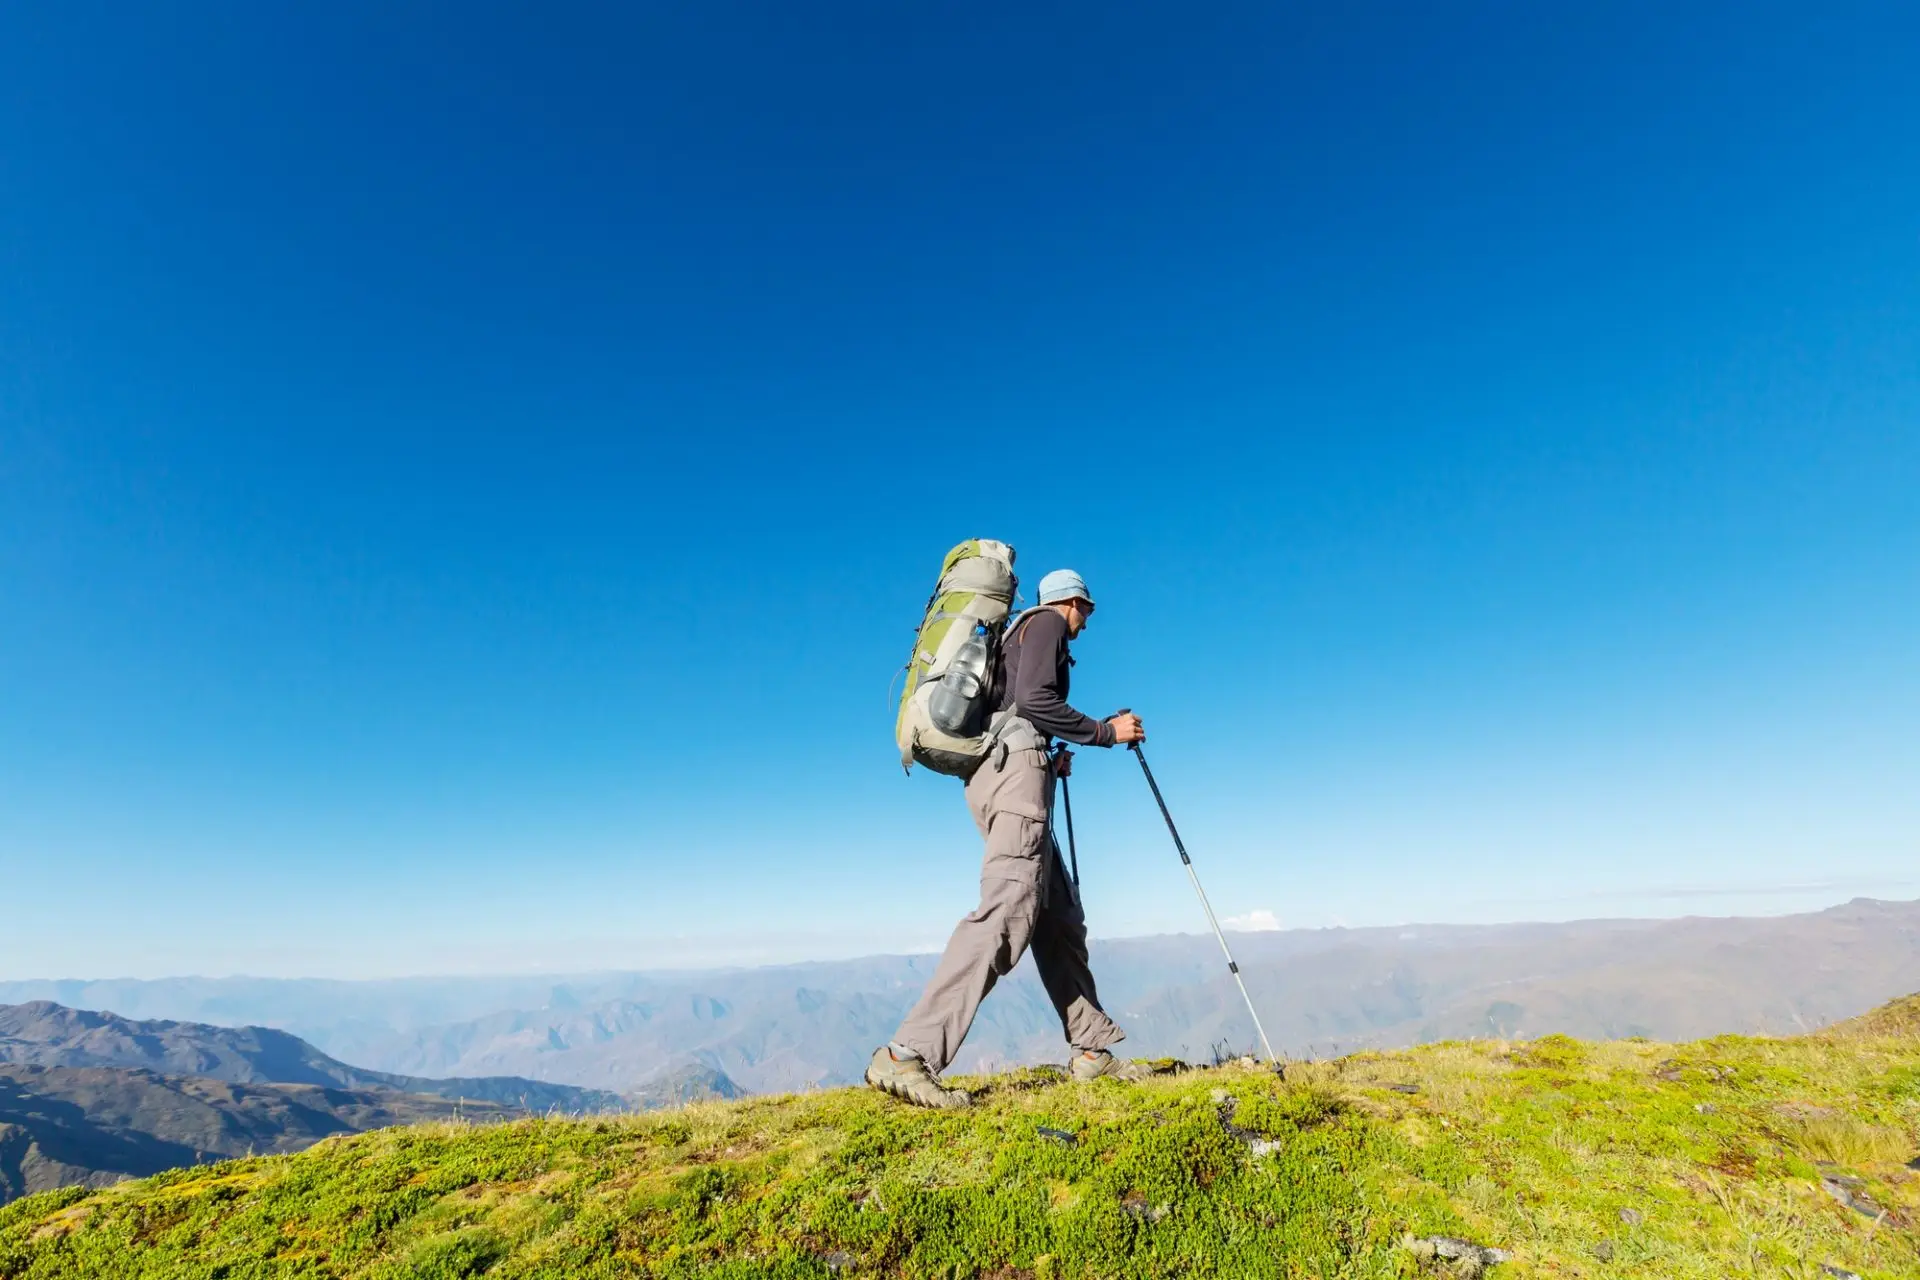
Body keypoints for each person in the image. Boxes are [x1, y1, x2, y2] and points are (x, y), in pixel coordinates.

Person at [866, 568, 1149, 1108]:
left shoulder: (1014, 635)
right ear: (1072, 602)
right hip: (1015, 780)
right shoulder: (1044, 624)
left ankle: (1090, 1047)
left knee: (1056, 913)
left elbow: (1020, 708)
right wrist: (1104, 732)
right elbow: (1036, 699)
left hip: (1007, 775)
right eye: (1086, 610)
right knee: (1008, 911)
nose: (1086, 622)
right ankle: (908, 1053)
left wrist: (1048, 755)